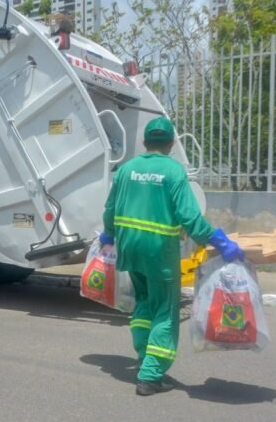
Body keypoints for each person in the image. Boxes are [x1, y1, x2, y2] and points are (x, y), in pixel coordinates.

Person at [100, 116, 244, 397]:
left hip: (129, 247)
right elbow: (189, 218)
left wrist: (108, 234)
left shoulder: (126, 169)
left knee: (143, 301)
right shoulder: (173, 171)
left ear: (145, 142)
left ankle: (144, 355)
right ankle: (150, 375)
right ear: (170, 143)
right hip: (159, 251)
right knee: (165, 309)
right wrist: (219, 241)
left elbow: (110, 209)